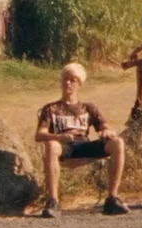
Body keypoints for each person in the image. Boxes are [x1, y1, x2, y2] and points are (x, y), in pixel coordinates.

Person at [34, 63, 130, 218]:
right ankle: (53, 201)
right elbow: (39, 135)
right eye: (65, 79)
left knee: (117, 142)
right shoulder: (51, 109)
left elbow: (105, 127)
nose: (68, 83)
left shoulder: (88, 108)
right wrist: (57, 137)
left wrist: (106, 131)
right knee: (51, 145)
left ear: (79, 84)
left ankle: (112, 198)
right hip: (63, 146)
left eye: (72, 80)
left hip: (84, 145)